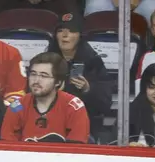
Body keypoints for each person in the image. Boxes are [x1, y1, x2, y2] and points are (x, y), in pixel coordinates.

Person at [47, 12, 112, 142]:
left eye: (71, 31)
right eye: (61, 31)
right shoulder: (46, 61)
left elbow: (105, 102)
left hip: (83, 123)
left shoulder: (93, 61)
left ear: (79, 36)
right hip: (48, 121)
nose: (65, 35)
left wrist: (88, 89)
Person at [0, 52, 90, 143]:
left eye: (44, 76)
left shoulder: (74, 107)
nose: (36, 80)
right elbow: (8, 147)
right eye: (33, 74)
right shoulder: (17, 106)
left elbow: (76, 151)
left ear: (58, 82)